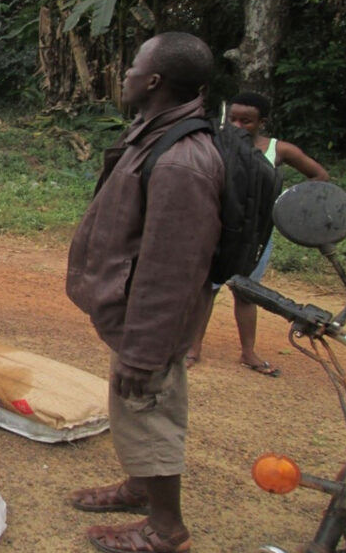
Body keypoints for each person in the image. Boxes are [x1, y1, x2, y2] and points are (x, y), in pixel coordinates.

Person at [65, 32, 223, 553]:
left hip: (148, 321)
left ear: (153, 81)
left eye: (133, 65)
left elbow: (172, 270)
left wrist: (144, 349)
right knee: (134, 405)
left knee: (150, 404)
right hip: (132, 314)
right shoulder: (157, 133)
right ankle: (138, 488)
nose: (126, 73)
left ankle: (165, 527)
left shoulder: (180, 160)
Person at [186, 92, 329, 376]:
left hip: (254, 236)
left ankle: (248, 352)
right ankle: (192, 348)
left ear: (262, 122)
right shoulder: (218, 144)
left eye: (247, 121)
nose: (238, 126)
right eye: (233, 119)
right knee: (206, 288)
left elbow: (319, 176)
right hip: (219, 229)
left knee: (245, 290)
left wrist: (286, 204)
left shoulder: (278, 150)